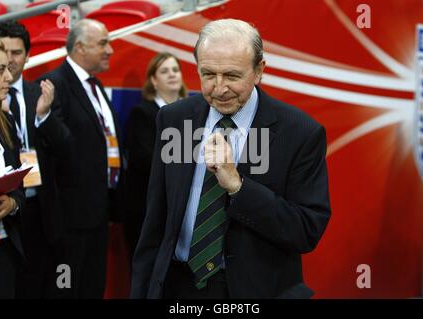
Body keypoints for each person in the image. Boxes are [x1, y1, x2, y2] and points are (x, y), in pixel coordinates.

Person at [130, 19, 331, 299]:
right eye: (208, 74)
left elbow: (305, 230)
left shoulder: (300, 133)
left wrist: (238, 187)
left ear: (259, 71)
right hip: (176, 286)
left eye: (232, 76)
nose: (219, 88)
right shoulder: (174, 120)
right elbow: (156, 219)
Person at [38, 19, 123, 298]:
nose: (110, 49)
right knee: (67, 290)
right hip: (69, 219)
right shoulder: (54, 84)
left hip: (99, 212)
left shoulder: (95, 85)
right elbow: (56, 146)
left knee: (92, 288)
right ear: (79, 47)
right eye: (103, 43)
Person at [0, 21, 71, 298]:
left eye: (17, 53)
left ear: (27, 55)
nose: (9, 70)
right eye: (1, 65)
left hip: (27, 217)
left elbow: (65, 147)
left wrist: (12, 202)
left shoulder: (38, 96)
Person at [124, 52, 187, 258]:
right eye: (164, 71)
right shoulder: (142, 114)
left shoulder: (194, 113)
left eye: (175, 70)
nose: (172, 75)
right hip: (149, 207)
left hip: (184, 206)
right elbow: (145, 159)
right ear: (153, 80)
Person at [0, 36, 25, 298]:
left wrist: (11, 204)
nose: (9, 78)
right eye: (1, 70)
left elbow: (19, 188)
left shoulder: (5, 124)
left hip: (3, 249)